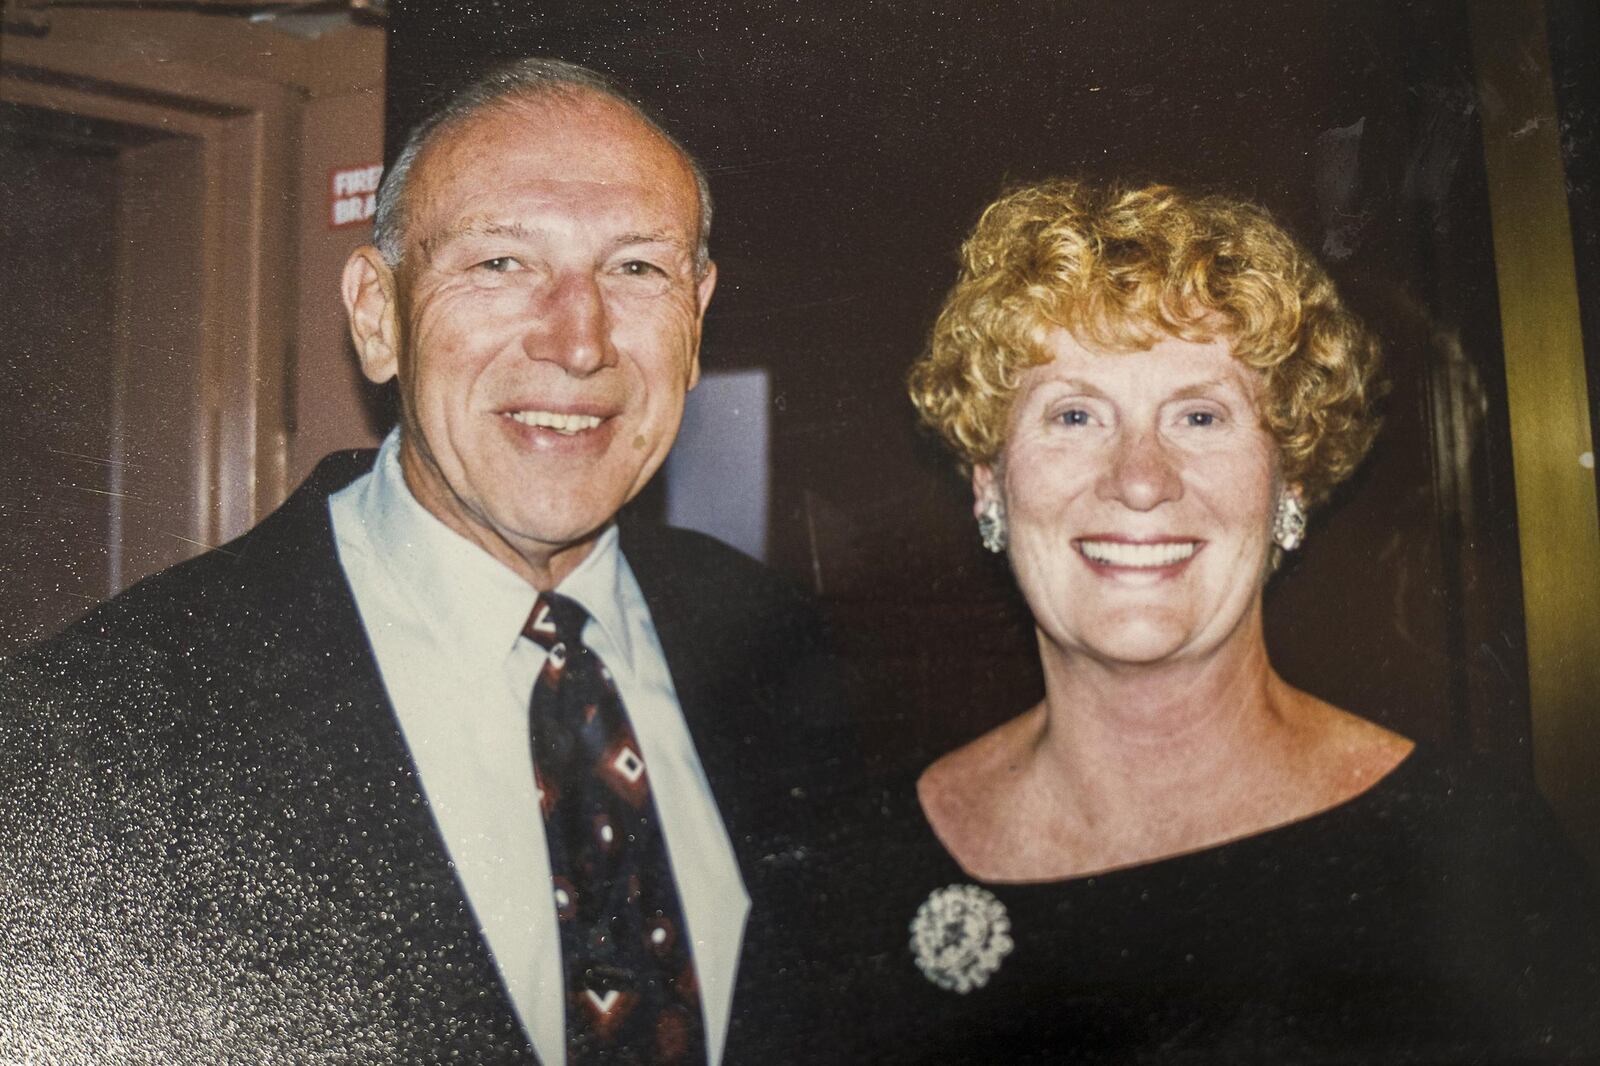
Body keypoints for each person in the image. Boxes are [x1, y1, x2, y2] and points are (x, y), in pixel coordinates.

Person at [0, 59, 847, 1064]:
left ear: (697, 315)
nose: (579, 343)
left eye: (636, 269)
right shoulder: (100, 726)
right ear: (376, 314)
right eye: (500, 264)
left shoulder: (779, 643)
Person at [821, 179, 1600, 1062]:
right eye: (1074, 414)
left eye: (1200, 415)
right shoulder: (866, 869)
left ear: (1291, 483)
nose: (1141, 478)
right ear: (989, 485)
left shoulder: (1472, 852)